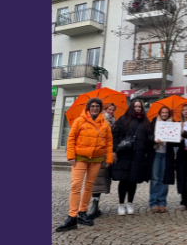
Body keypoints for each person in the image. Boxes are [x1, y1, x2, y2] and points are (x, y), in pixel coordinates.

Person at [58, 99, 112, 232]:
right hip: (80, 157)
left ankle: (82, 212)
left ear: (100, 108)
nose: (94, 108)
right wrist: (70, 156)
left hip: (97, 158)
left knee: (89, 186)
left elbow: (109, 143)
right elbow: (71, 139)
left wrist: (109, 158)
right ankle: (72, 216)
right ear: (88, 108)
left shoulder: (105, 124)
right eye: (92, 106)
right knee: (76, 186)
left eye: (97, 106)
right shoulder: (79, 120)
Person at [110, 104, 153, 216]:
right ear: (132, 108)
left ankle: (130, 203)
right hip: (125, 153)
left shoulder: (145, 122)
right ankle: (120, 204)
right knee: (123, 180)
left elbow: (149, 136)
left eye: (140, 107)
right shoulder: (123, 119)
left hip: (138, 154)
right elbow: (115, 134)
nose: (138, 108)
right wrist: (114, 150)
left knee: (133, 180)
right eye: (136, 106)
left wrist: (157, 138)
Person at [85, 101, 116, 219]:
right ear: (105, 109)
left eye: (113, 110)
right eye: (109, 109)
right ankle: (92, 206)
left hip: (105, 155)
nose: (111, 112)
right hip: (96, 154)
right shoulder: (101, 120)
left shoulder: (113, 122)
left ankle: (95, 205)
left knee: (101, 180)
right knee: (95, 180)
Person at [147, 104, 178, 213]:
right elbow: (148, 136)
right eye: (163, 112)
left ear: (169, 114)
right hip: (156, 153)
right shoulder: (154, 122)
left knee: (164, 179)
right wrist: (155, 139)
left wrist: (178, 137)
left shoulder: (174, 124)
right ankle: (153, 202)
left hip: (167, 155)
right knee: (155, 178)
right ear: (160, 113)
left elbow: (176, 144)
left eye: (166, 112)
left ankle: (162, 202)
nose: (164, 114)